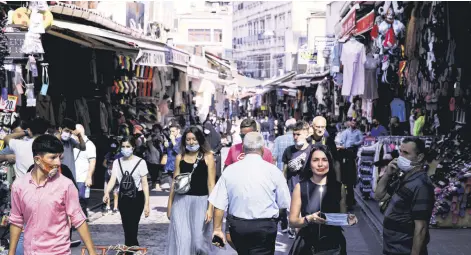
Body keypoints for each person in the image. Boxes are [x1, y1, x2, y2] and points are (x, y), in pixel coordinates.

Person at [8, 135, 97, 255]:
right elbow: (16, 221)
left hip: (58, 252)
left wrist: (92, 252)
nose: (58, 163)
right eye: (53, 158)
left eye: (59, 157)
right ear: (38, 159)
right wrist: (11, 252)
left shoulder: (66, 185)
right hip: (30, 251)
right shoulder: (19, 186)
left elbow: (79, 220)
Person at [209, 132, 291, 254]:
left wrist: (217, 229)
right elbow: (284, 203)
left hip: (239, 227)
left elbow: (219, 204)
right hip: (265, 227)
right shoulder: (273, 171)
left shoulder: (230, 170)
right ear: (262, 149)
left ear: (243, 148)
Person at [288, 145, 356, 255]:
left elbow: (341, 218)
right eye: (315, 160)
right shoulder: (300, 187)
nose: (320, 164)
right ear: (309, 164)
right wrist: (309, 219)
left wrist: (348, 219)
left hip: (334, 248)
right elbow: (292, 222)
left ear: (330, 163)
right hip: (307, 247)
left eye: (324, 160)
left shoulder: (339, 187)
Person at [374, 138, 434, 255]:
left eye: (406, 153)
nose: (400, 156)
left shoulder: (421, 185)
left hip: (404, 250)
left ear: (420, 157)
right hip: (392, 248)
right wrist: (387, 174)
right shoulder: (403, 177)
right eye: (400, 152)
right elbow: (379, 196)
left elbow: (421, 227)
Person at [166, 126, 216, 255]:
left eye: (194, 139)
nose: (191, 142)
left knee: (199, 242)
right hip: (180, 202)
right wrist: (169, 205)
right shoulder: (180, 158)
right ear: (184, 141)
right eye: (188, 140)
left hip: (201, 202)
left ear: (199, 139)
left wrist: (210, 208)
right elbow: (174, 183)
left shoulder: (208, 157)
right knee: (183, 241)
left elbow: (211, 184)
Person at [103, 137, 150, 248]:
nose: (125, 149)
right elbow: (113, 179)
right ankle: (132, 248)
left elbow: (144, 184)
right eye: (123, 146)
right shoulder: (116, 162)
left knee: (133, 224)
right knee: (126, 224)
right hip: (123, 197)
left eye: (128, 146)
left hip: (137, 197)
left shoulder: (140, 162)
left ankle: (130, 247)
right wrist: (106, 192)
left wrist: (147, 204)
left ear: (133, 147)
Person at [281, 120, 312, 238]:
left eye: (298, 134)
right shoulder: (289, 151)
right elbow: (284, 172)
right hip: (292, 191)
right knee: (296, 221)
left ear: (306, 134)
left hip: (308, 191)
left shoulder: (312, 150)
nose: (295, 137)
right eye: (294, 134)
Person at [338, 119, 363, 210]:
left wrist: (354, 144)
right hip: (346, 151)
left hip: (353, 151)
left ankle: (350, 200)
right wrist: (343, 147)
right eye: (352, 123)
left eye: (354, 123)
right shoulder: (345, 132)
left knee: (349, 184)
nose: (353, 124)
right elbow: (342, 141)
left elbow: (361, 140)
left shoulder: (358, 132)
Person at [73, 124, 96, 218]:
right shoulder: (72, 143)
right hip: (72, 177)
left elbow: (92, 162)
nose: (74, 136)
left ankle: (81, 218)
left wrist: (89, 177)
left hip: (82, 178)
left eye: (76, 134)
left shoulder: (89, 145)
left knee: (82, 199)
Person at [161, 123, 182, 191]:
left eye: (173, 131)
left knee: (178, 187)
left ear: (178, 130)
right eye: (170, 131)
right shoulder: (171, 139)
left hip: (178, 166)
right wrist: (166, 145)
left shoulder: (182, 139)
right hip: (170, 165)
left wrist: (173, 141)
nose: (171, 133)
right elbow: (167, 152)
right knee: (172, 188)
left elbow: (179, 151)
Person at [103, 141, 122, 214]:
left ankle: (115, 208)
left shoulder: (120, 155)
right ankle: (107, 207)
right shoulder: (108, 154)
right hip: (108, 176)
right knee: (107, 191)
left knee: (115, 193)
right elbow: (104, 163)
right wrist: (108, 167)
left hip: (116, 177)